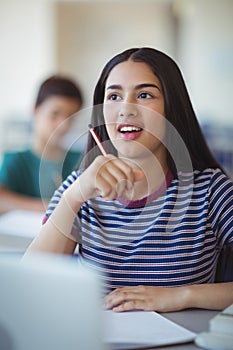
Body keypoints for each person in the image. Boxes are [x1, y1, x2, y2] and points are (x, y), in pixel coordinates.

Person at [25, 47, 233, 313]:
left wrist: (182, 296)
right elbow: (31, 285)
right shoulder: (80, 187)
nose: (126, 109)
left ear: (172, 107)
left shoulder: (211, 191)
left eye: (144, 95)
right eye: (113, 96)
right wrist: (74, 196)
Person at [0, 75, 83, 213]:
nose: (63, 125)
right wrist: (52, 207)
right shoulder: (16, 160)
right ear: (35, 110)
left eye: (70, 117)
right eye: (55, 114)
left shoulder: (80, 159)